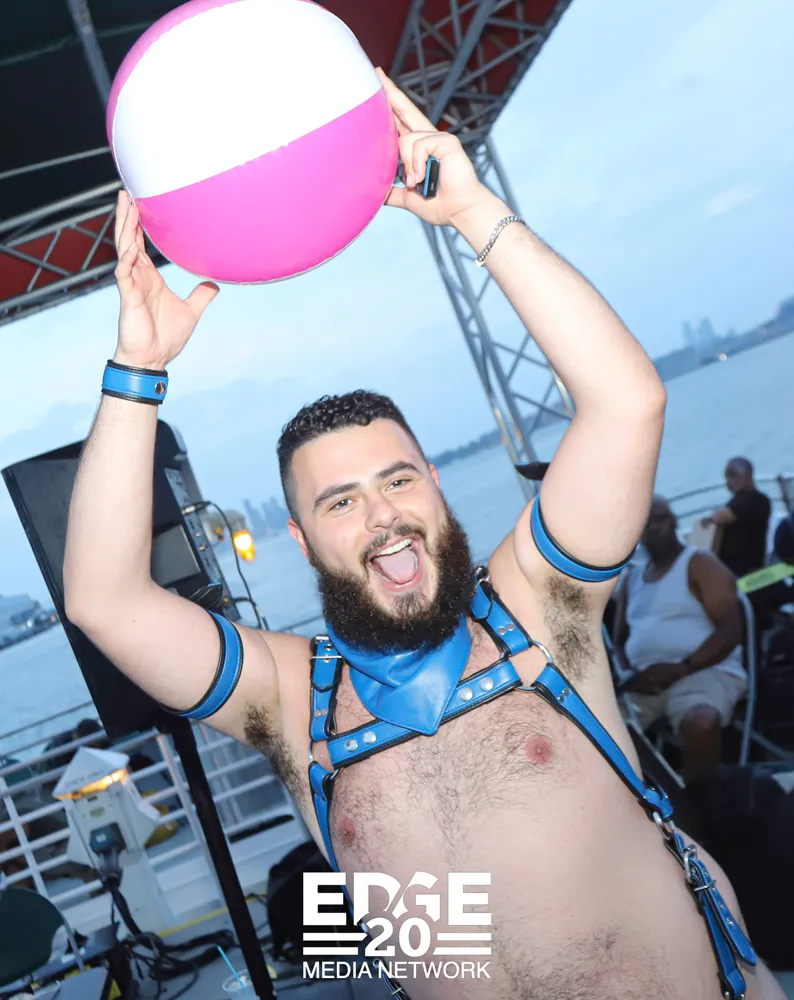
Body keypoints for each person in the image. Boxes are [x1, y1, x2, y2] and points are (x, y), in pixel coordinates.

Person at [62, 73, 782, 1000]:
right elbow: (103, 600)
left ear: (436, 491)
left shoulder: (540, 608)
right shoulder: (287, 699)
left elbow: (626, 403)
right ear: (303, 541)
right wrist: (136, 370)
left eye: (397, 480)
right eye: (341, 503)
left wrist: (476, 215)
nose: (382, 515)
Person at [614, 498, 746, 782]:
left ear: (674, 521)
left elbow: (731, 631)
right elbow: (619, 642)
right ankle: (638, 798)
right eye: (644, 523)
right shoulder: (631, 580)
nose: (652, 528)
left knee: (701, 722)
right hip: (644, 684)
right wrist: (630, 674)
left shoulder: (700, 564)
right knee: (595, 735)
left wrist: (684, 668)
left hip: (704, 671)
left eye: (660, 518)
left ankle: (700, 798)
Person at [703, 458, 771, 579]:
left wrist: (711, 518)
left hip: (744, 570)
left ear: (745, 476)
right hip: (733, 569)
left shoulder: (754, 500)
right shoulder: (744, 500)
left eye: (732, 476)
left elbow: (721, 517)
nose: (728, 482)